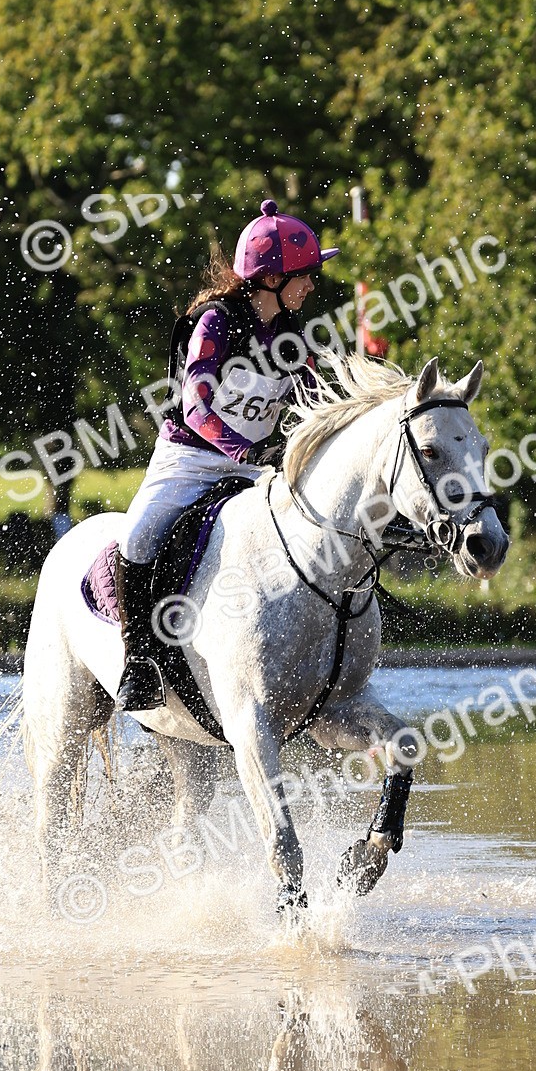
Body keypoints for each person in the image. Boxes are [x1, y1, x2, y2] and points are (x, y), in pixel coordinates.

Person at [115, 199, 340, 711]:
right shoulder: (215, 323)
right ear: (272, 278)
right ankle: (139, 660)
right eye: (305, 275)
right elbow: (195, 407)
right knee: (138, 535)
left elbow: (315, 400)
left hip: (255, 466)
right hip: (189, 460)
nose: (311, 285)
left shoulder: (290, 335)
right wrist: (248, 449)